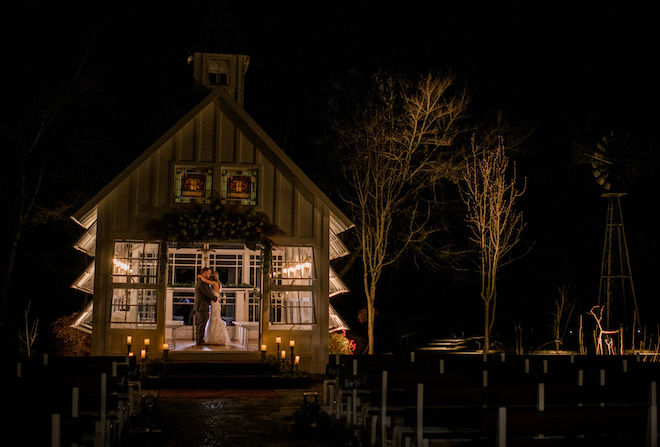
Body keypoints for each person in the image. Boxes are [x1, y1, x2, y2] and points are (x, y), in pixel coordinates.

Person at [198, 270, 231, 346]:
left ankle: (217, 338)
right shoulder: (217, 283)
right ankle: (213, 338)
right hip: (215, 303)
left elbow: (205, 281)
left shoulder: (214, 283)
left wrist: (200, 276)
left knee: (215, 319)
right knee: (213, 319)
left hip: (215, 304)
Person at [194, 267, 218, 345]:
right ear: (204, 272)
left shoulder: (201, 281)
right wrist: (215, 298)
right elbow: (207, 293)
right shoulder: (202, 283)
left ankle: (199, 340)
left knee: (200, 324)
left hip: (200, 306)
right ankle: (200, 340)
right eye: (208, 273)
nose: (210, 274)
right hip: (202, 306)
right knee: (201, 324)